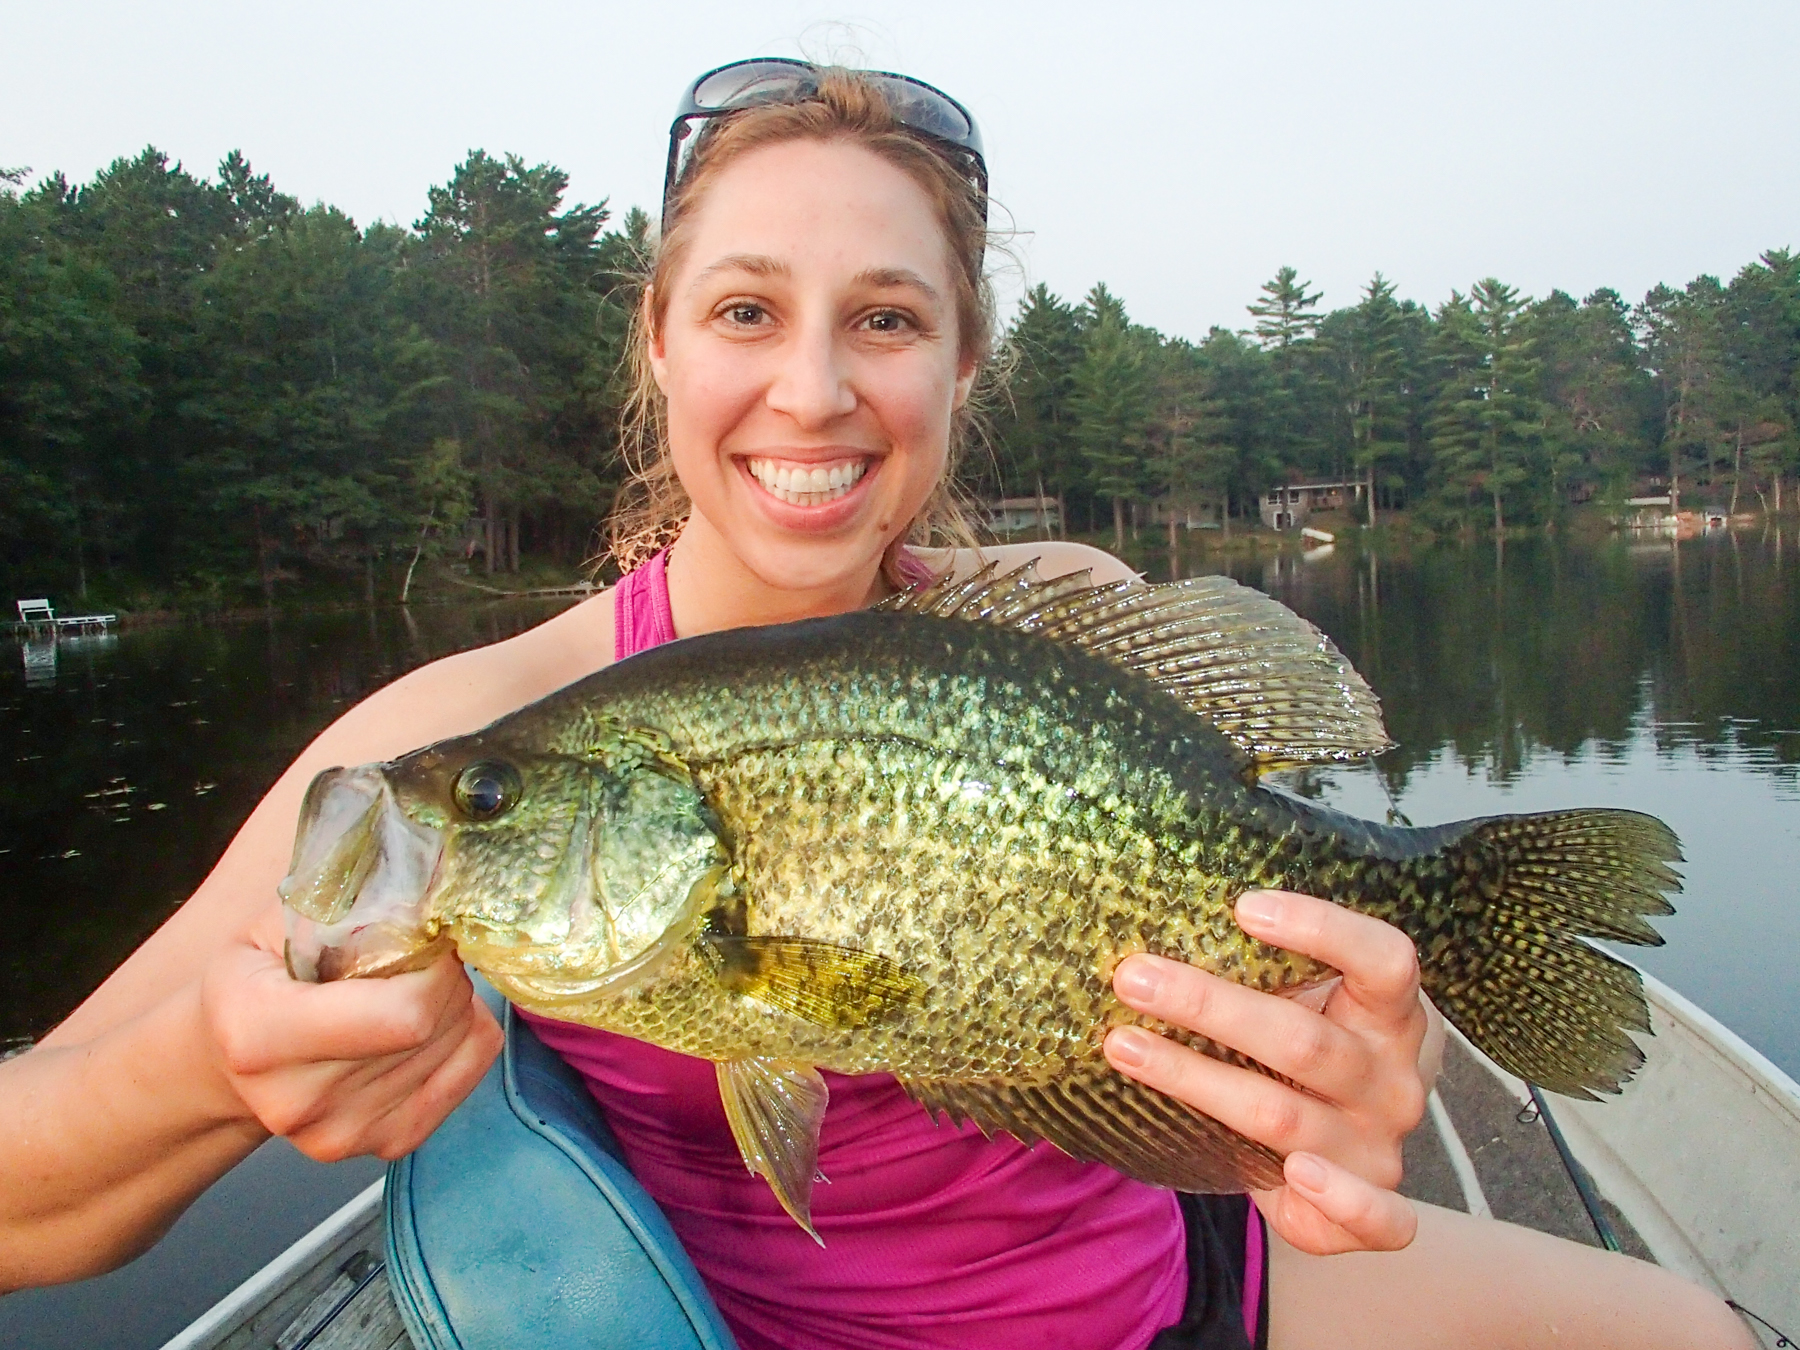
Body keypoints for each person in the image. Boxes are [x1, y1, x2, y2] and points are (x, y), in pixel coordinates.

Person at [0, 59, 1750, 1350]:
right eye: (749, 308)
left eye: (889, 317)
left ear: (964, 360)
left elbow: (1232, 1018)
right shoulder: (475, 739)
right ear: (662, 340)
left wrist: (1356, 1070)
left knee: (1698, 1329)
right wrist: (200, 1071)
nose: (814, 389)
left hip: (1193, 1285)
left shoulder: (1074, 620)